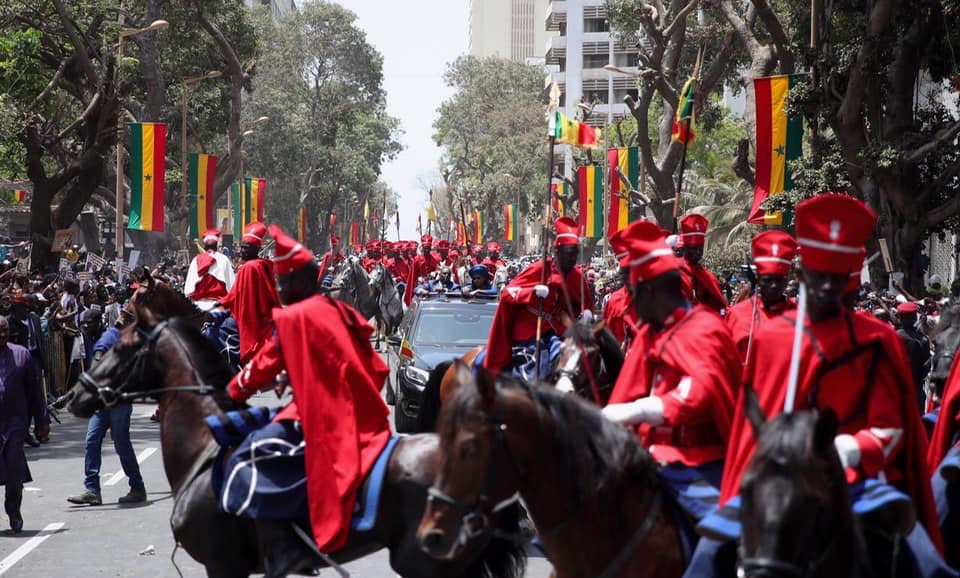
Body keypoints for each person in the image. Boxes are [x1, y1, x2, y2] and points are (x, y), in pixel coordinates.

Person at [688, 194, 948, 578]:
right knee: (709, 555)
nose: (826, 288)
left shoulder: (877, 340)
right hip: (779, 477)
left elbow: (891, 429)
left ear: (851, 281)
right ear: (802, 275)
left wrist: (850, 449)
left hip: (857, 481)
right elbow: (751, 429)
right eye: (819, 276)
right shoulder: (772, 338)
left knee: (923, 562)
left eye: (836, 278)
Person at [223, 225, 391, 575]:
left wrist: (231, 392)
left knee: (251, 452)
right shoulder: (339, 310)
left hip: (323, 414)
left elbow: (258, 372)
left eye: (283, 283)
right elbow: (372, 368)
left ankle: (285, 549)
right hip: (367, 413)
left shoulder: (293, 317)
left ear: (300, 282)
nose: (280, 291)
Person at [601, 220, 740, 528]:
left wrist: (640, 410)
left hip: (700, 462)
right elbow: (626, 392)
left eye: (635, 292)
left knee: (714, 550)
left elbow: (700, 391)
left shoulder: (704, 330)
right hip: (649, 459)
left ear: (651, 290)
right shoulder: (651, 335)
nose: (631, 302)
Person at [483, 217, 595, 380]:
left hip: (559, 332)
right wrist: (531, 292)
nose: (573, 258)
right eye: (569, 253)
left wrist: (587, 314)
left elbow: (587, 305)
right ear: (557, 251)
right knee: (536, 373)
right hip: (530, 331)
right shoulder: (540, 268)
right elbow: (508, 293)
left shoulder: (577, 276)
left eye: (576, 253)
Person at [66, 307, 146, 506]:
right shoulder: (88, 339)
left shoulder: (111, 338)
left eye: (90, 323)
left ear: (99, 323)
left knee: (121, 444)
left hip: (118, 401)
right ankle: (92, 489)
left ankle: (137, 487)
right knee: (92, 440)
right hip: (100, 403)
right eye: (83, 324)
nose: (86, 327)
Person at [0, 316, 48, 533]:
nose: (2, 334)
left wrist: (42, 421)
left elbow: (35, 392)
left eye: (5, 330)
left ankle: (13, 509)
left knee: (14, 470)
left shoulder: (21, 354)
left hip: (15, 423)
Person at [723, 230, 798, 363]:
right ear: (758, 278)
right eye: (768, 280)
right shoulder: (738, 315)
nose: (774, 286)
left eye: (779, 280)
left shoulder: (798, 316)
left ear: (786, 280)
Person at [218, 222, 281, 365]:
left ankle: (232, 370)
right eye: (242, 247)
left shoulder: (249, 268)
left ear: (254, 250)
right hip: (267, 318)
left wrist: (218, 305)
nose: (242, 251)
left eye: (246, 248)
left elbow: (233, 296)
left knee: (223, 328)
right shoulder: (262, 265)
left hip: (252, 319)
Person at [677, 214, 728, 314]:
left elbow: (719, 307)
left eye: (700, 249)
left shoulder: (707, 275)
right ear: (685, 248)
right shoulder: (677, 273)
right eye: (693, 248)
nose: (698, 253)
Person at [184, 229, 235, 310]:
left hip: (198, 307)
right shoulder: (224, 260)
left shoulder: (195, 260)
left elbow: (188, 290)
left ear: (204, 246)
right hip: (219, 308)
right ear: (216, 245)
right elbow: (232, 288)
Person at [896, 301, 930, 410]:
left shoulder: (893, 336)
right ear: (915, 318)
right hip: (916, 389)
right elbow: (927, 365)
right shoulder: (923, 340)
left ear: (900, 318)